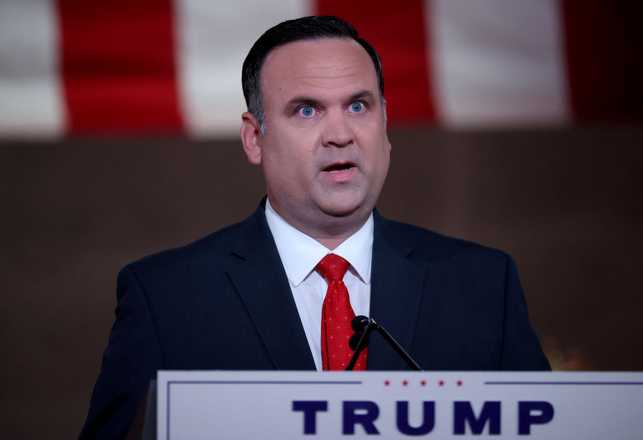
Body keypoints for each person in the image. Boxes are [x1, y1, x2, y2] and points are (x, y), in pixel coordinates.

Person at [80, 15, 549, 439]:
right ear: (254, 138)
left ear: (385, 125)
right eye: (307, 110)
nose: (340, 134)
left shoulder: (483, 285)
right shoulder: (166, 298)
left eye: (359, 106)